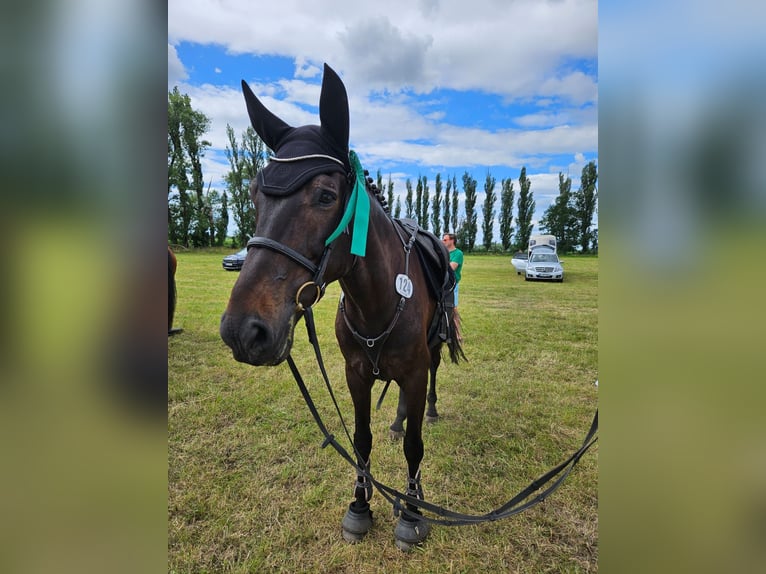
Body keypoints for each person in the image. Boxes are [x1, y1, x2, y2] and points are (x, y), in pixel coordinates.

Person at [442, 233, 464, 341]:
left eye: (445, 240)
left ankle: (458, 334)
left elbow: (451, 268)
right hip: (443, 283)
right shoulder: (443, 252)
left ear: (452, 241)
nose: (443, 241)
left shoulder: (458, 253)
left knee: (453, 309)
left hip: (452, 284)